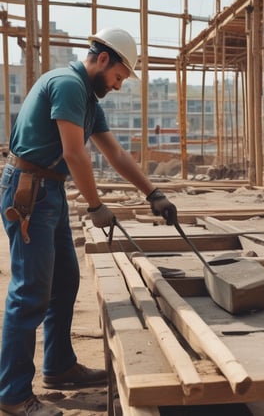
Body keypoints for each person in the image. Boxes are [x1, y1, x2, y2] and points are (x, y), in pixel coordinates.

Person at [0, 27, 177, 416]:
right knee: (30, 293)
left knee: (65, 280)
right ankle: (13, 395)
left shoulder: (87, 98)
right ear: (102, 59)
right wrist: (96, 205)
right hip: (30, 190)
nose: (117, 85)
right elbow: (75, 153)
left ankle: (59, 367)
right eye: (118, 77)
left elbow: (114, 152)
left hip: (50, 190)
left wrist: (153, 194)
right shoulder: (67, 84)